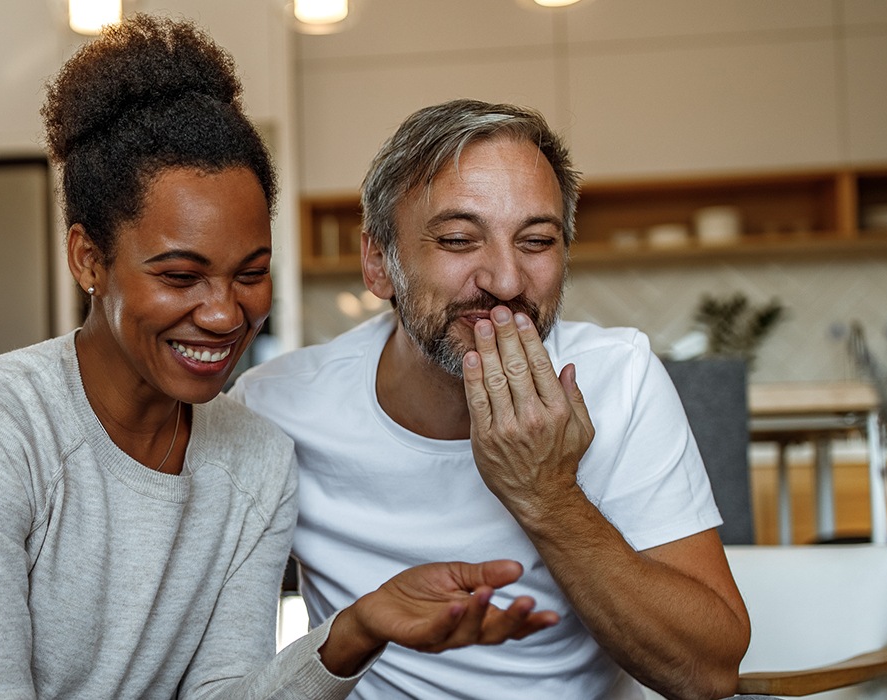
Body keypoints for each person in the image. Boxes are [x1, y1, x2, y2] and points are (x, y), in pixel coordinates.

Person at [0, 22, 556, 700]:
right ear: (88, 258)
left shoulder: (255, 458)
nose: (222, 312)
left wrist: (355, 632)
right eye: (180, 276)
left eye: (250, 272)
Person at [232, 99, 752, 700]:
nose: (505, 282)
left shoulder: (620, 376)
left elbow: (708, 673)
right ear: (378, 262)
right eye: (458, 240)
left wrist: (548, 495)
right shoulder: (275, 406)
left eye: (536, 241)